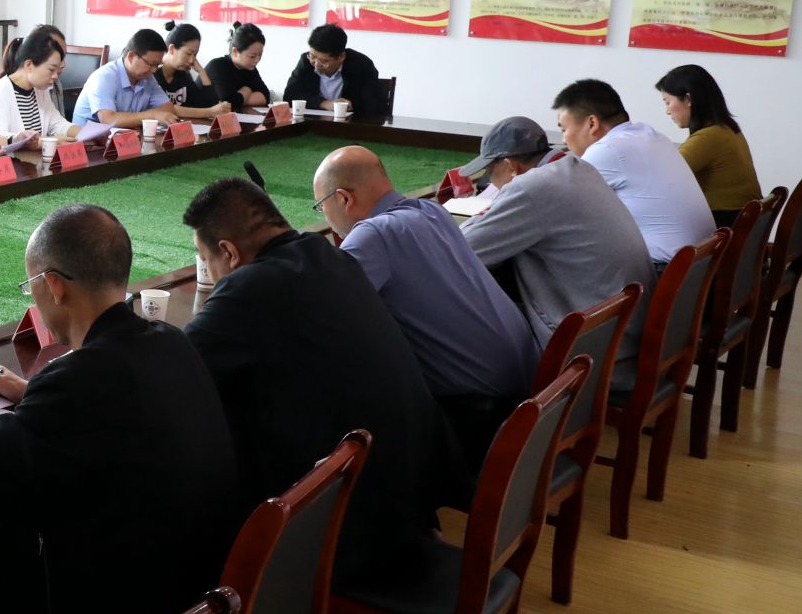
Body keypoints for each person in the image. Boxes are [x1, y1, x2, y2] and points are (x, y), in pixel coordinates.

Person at [0, 205, 243, 614]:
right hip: (201, 598)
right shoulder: (170, 341)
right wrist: (34, 394)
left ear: (54, 285)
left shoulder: (78, 383)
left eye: (31, 286)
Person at [182, 177, 445, 584]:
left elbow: (179, 372)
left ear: (229, 253)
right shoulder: (332, 256)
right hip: (412, 496)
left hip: (352, 532)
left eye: (206, 260)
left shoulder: (249, 290)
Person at [314, 146, 539, 471]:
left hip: (481, 418)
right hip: (530, 392)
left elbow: (320, 315)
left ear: (344, 199)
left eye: (321, 206)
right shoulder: (431, 211)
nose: (326, 217)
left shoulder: (372, 236)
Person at [457, 116, 655, 379]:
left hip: (591, 358)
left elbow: (460, 249)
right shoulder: (578, 168)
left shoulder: (533, 188)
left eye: (489, 172)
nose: (490, 182)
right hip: (624, 335)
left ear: (510, 165)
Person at [551, 78, 713, 265]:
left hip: (664, 269)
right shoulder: (652, 136)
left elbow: (557, 205)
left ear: (592, 123)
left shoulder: (607, 149)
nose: (564, 140)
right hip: (699, 262)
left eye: (564, 129)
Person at [656, 64, 761, 226]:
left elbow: (662, 177)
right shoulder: (725, 128)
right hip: (741, 222)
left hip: (723, 225)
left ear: (688, 99)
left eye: (668, 102)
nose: (667, 111)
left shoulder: (708, 137)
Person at [70, 27, 177, 128]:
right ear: (131, 56)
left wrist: (143, 118)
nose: (154, 70)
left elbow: (168, 109)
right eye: (150, 64)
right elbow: (108, 119)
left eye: (157, 65)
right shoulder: (104, 77)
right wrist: (151, 115)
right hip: (86, 139)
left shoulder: (147, 78)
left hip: (122, 137)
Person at [0, 24, 72, 139]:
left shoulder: (40, 90)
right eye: (51, 69)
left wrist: (85, 132)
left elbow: (58, 124)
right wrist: (49, 141)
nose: (55, 76)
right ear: (29, 65)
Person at [281, 22, 382, 114]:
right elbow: (290, 96)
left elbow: (375, 103)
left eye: (324, 61)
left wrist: (348, 105)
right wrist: (323, 103)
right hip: (312, 121)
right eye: (312, 56)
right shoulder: (306, 62)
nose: (316, 64)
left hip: (350, 123)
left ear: (341, 57)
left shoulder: (361, 65)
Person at [151, 22, 232, 120]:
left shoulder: (183, 74)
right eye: (189, 53)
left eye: (195, 55)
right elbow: (167, 108)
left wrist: (202, 72)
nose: (191, 60)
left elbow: (209, 104)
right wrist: (210, 112)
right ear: (172, 49)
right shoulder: (153, 73)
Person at [203, 21, 271, 110]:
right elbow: (228, 103)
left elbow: (266, 96)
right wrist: (248, 89)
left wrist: (239, 98)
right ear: (235, 52)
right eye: (252, 56)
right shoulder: (218, 66)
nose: (257, 60)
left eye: (260, 55)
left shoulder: (250, 68)